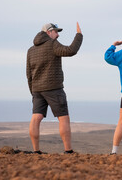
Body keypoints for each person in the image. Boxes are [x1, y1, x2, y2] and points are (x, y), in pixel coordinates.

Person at [26, 22, 83, 154]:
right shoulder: (51, 44)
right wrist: (79, 35)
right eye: (56, 32)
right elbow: (71, 50)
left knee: (36, 117)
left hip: (37, 89)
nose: (57, 35)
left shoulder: (31, 50)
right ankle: (68, 151)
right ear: (48, 32)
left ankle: (36, 151)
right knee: (63, 117)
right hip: (53, 88)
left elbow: (28, 73)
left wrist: (33, 91)